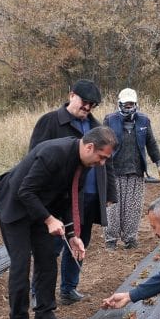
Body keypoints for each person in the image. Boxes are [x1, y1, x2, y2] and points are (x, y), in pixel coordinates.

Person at [0, 127, 118, 319]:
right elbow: (25, 191)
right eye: (102, 156)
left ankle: (45, 317)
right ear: (89, 147)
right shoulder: (54, 153)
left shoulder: (84, 162)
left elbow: (70, 198)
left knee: (48, 260)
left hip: (40, 209)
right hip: (15, 208)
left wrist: (72, 234)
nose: (102, 163)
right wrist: (49, 220)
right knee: (21, 263)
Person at [29, 79, 115, 305]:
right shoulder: (50, 122)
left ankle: (69, 288)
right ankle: (39, 292)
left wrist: (109, 193)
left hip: (89, 196)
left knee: (80, 242)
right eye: (84, 102)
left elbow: (109, 162)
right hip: (59, 199)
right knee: (53, 246)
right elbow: (34, 158)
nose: (87, 108)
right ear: (71, 95)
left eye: (92, 105)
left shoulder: (97, 127)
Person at [103, 88, 160, 250]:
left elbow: (151, 144)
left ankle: (130, 239)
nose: (129, 107)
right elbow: (101, 143)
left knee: (133, 208)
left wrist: (159, 163)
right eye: (126, 104)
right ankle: (111, 239)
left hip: (136, 171)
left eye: (132, 104)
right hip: (114, 171)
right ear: (120, 104)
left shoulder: (144, 121)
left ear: (136, 104)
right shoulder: (110, 120)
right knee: (113, 208)